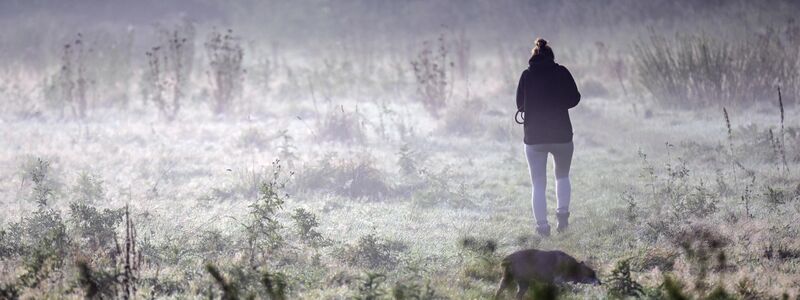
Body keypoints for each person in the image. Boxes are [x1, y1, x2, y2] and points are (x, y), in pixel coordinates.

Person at [516, 38, 581, 237]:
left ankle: (542, 228)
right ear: (552, 57)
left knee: (538, 184)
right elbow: (575, 98)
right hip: (561, 134)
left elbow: (520, 104)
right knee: (562, 176)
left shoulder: (526, 76)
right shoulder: (561, 72)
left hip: (534, 137)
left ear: (533, 57)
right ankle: (562, 219)